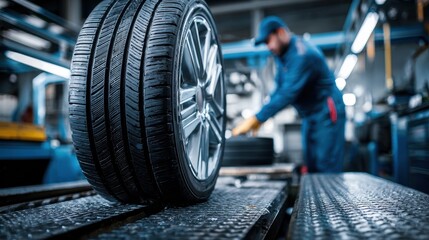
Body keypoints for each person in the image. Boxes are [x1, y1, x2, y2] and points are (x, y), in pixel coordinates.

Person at [232, 16, 345, 173]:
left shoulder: (302, 54)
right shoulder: (281, 55)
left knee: (326, 166)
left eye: (268, 41)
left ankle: (330, 198)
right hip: (309, 116)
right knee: (312, 165)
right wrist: (258, 116)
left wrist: (258, 118)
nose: (268, 47)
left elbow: (287, 93)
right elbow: (278, 89)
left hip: (326, 112)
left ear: (280, 33)